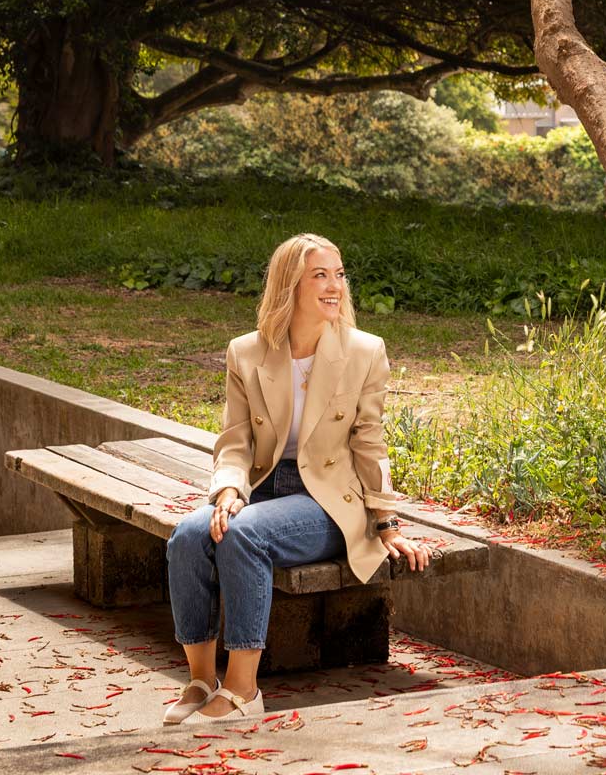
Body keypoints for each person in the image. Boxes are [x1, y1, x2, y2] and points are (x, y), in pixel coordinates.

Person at [163, 233, 430, 724]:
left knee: (243, 534)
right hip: (263, 489)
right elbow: (235, 440)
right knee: (189, 535)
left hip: (329, 501)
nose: (335, 286)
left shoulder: (364, 351)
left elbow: (370, 441)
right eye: (320, 275)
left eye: (340, 274)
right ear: (290, 284)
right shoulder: (247, 352)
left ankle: (243, 688)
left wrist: (386, 521)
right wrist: (227, 490)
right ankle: (201, 681)